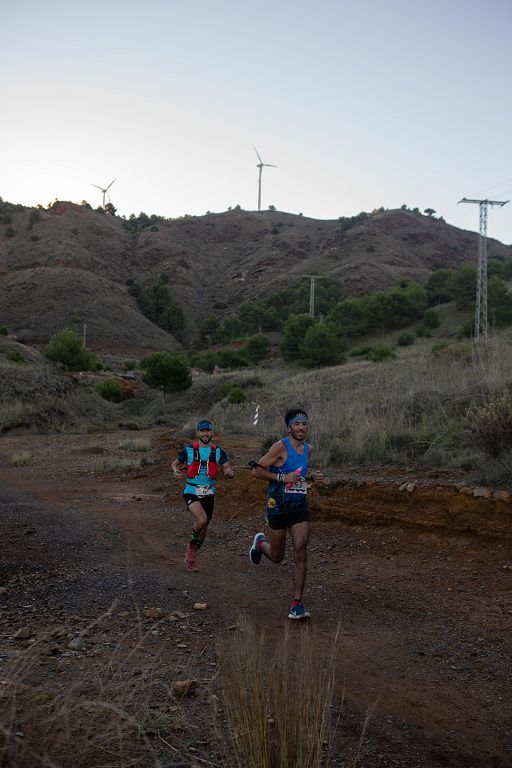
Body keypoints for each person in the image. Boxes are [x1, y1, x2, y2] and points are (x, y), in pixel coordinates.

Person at [248, 407, 325, 619]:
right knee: (278, 556)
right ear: (289, 427)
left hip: (299, 506)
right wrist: (281, 478)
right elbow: (256, 470)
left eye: (304, 424)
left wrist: (311, 480)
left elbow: (297, 477)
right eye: (297, 424)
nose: (301, 428)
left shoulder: (308, 449)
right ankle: (261, 544)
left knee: (300, 549)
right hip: (278, 506)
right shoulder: (280, 447)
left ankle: (296, 604)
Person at [171, 420, 234, 572]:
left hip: (208, 494)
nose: (205, 433)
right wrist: (175, 470)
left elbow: (227, 467)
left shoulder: (218, 451)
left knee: (203, 531)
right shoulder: (189, 450)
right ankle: (190, 554)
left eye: (208, 431)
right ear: (198, 433)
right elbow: (175, 464)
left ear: (212, 432)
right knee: (201, 519)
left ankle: (193, 550)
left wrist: (229, 472)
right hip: (191, 491)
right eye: (202, 431)